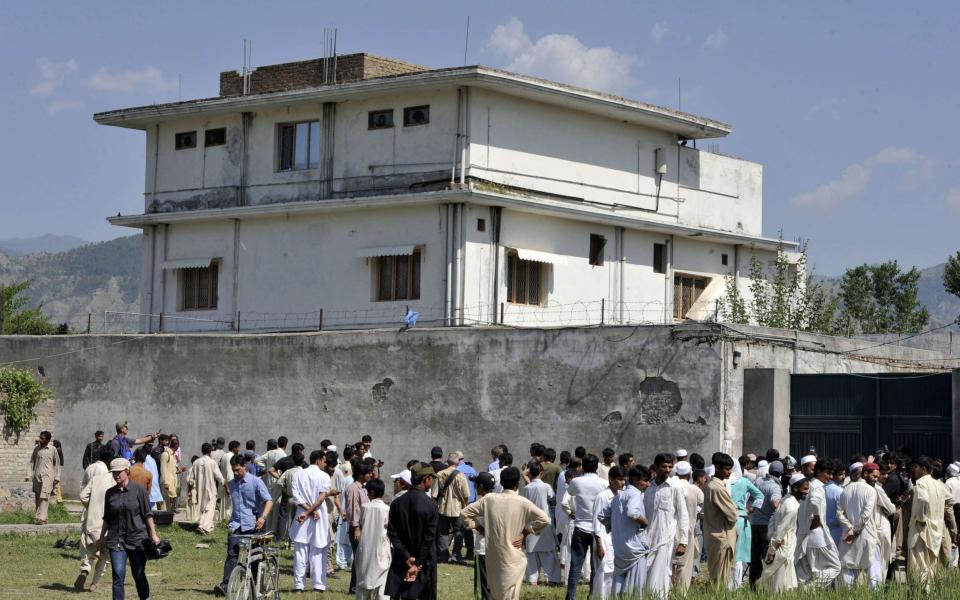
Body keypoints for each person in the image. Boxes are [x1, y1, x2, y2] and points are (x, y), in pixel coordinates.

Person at [461, 466, 550, 600]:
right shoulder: (523, 502)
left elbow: (464, 513)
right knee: (511, 594)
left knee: (495, 593)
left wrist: (479, 527)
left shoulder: (489, 499)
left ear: (501, 483)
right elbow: (545, 519)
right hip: (513, 556)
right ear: (517, 484)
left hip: (493, 556)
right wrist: (525, 533)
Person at [213, 454, 274, 596]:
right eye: (233, 470)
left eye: (238, 470)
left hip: (254, 525)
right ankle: (226, 584)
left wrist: (263, 517)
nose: (235, 473)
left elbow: (269, 501)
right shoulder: (232, 483)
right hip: (235, 524)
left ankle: (253, 586)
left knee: (254, 558)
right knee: (231, 554)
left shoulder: (256, 482)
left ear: (245, 467)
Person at [102, 458, 161, 600]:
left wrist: (153, 534)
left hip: (138, 540)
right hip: (116, 540)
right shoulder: (110, 493)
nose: (116, 475)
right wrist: (101, 537)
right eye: (114, 473)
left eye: (119, 472)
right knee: (118, 575)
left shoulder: (139, 490)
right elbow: (107, 518)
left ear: (127, 471)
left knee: (138, 574)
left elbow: (148, 514)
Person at [385, 464, 439, 600]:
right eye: (431, 478)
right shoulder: (431, 505)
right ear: (425, 478)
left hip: (402, 560)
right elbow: (429, 538)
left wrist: (406, 556)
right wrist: (417, 563)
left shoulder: (397, 503)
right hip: (424, 562)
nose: (432, 482)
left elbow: (392, 533)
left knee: (399, 594)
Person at [290, 450, 338, 593]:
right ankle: (318, 585)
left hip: (303, 515)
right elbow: (321, 498)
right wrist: (311, 511)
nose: (325, 464)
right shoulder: (324, 476)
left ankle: (299, 585)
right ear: (318, 460)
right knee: (318, 551)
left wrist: (307, 511)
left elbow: (296, 497)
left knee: (300, 552)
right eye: (324, 461)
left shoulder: (298, 474)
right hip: (316, 517)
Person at [643, 453, 689, 597]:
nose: (668, 469)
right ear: (656, 467)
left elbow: (683, 514)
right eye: (664, 466)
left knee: (662, 575)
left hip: (665, 539)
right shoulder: (649, 488)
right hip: (647, 539)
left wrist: (683, 541)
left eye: (670, 466)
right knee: (646, 572)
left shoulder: (675, 487)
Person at [564, 453, 607, 600]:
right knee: (596, 566)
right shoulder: (603, 483)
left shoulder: (576, 482)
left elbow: (570, 494)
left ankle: (571, 596)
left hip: (580, 526)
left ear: (583, 466)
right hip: (598, 529)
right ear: (596, 467)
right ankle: (593, 595)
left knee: (576, 565)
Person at [795, 456, 841, 587]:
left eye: (832, 473)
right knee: (835, 567)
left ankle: (803, 591)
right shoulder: (817, 487)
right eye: (828, 473)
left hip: (804, 534)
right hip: (817, 535)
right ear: (819, 471)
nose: (830, 477)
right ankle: (811, 588)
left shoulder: (807, 486)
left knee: (806, 570)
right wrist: (816, 517)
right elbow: (815, 501)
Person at [604, 465, 650, 595]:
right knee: (636, 585)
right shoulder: (635, 494)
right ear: (635, 480)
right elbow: (632, 513)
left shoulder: (619, 496)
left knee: (619, 580)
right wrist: (646, 522)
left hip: (620, 546)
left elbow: (603, 516)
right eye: (645, 480)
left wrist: (617, 527)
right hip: (634, 548)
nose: (648, 484)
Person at [837, 461, 883, 588]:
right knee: (873, 569)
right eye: (874, 476)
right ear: (865, 474)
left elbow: (839, 514)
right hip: (867, 535)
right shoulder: (871, 490)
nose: (876, 479)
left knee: (848, 568)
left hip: (848, 537)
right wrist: (854, 531)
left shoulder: (845, 490)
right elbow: (865, 516)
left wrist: (849, 529)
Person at [75, 447, 114, 592]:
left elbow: (82, 495)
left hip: (90, 519)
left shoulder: (90, 469)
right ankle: (94, 583)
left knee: (87, 548)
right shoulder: (111, 478)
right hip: (106, 523)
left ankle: (85, 570)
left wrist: (90, 506)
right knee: (105, 555)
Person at [757, 473, 804, 592]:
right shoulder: (791, 507)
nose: (807, 492)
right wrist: (772, 550)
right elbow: (781, 529)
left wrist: (770, 535)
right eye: (805, 489)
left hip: (781, 543)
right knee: (781, 582)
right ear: (795, 488)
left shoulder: (785, 500)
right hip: (783, 545)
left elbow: (773, 520)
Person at [907, 456, 947, 589]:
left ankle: (921, 594)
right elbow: (950, 501)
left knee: (919, 564)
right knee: (931, 565)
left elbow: (923, 500)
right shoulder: (940, 485)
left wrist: (921, 519)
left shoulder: (921, 483)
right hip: (936, 531)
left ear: (924, 469)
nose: (914, 471)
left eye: (916, 468)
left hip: (921, 530)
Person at [519, 462, 560, 586]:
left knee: (531, 553)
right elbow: (553, 500)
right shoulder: (546, 486)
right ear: (541, 473)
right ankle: (551, 579)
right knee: (548, 552)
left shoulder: (526, 488)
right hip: (545, 521)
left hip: (531, 523)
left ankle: (532, 580)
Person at [703, 452, 738, 588]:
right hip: (721, 537)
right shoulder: (716, 488)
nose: (729, 472)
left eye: (730, 469)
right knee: (720, 580)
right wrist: (735, 508)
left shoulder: (714, 485)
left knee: (717, 577)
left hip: (715, 535)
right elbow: (733, 515)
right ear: (717, 467)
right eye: (727, 469)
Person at [749, 459, 783, 588]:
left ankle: (754, 586)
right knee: (768, 557)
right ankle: (767, 586)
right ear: (780, 473)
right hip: (767, 525)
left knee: (755, 557)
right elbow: (775, 503)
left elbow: (752, 498)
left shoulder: (758, 481)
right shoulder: (774, 486)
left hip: (755, 523)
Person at [355, 478, 391, 600]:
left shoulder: (365, 507)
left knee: (363, 579)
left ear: (371, 492)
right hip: (381, 548)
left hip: (365, 547)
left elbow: (361, 524)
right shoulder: (387, 509)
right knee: (381, 585)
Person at [592, 465, 624, 599]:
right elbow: (596, 522)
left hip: (617, 539)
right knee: (603, 572)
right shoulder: (603, 496)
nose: (622, 482)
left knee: (615, 572)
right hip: (604, 539)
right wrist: (599, 544)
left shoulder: (622, 495)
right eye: (619, 479)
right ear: (611, 479)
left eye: (624, 479)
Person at [730, 464, 764, 588]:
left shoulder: (722, 482)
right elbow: (760, 496)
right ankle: (736, 585)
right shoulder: (744, 481)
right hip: (741, 519)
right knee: (739, 556)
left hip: (725, 520)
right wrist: (750, 509)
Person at [672, 460, 703, 593]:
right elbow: (702, 509)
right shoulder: (694, 489)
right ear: (690, 474)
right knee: (684, 566)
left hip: (670, 531)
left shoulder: (671, 486)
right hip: (687, 532)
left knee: (669, 564)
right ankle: (681, 593)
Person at [434, 452, 470, 564]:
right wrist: (465, 506)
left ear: (447, 461)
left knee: (443, 532)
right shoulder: (461, 475)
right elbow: (466, 495)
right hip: (457, 507)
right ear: (458, 462)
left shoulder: (439, 474)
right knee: (459, 532)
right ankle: (456, 555)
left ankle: (443, 555)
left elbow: (434, 494)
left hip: (442, 507)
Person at [346, 463, 374, 594]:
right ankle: (354, 587)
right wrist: (356, 528)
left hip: (364, 527)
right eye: (368, 473)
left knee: (362, 557)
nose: (370, 475)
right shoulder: (353, 489)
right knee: (358, 558)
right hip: (357, 528)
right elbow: (353, 511)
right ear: (361, 474)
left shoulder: (363, 488)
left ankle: (359, 585)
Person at [26, 430, 60, 524]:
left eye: (42, 438)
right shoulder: (37, 449)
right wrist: (29, 474)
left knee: (44, 496)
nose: (40, 440)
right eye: (40, 437)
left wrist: (57, 477)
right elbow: (31, 462)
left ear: (48, 440)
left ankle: (41, 518)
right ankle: (42, 518)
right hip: (37, 476)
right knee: (38, 497)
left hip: (48, 477)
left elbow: (57, 464)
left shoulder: (53, 449)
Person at [190, 442, 224, 535]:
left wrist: (191, 489)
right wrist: (224, 483)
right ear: (210, 451)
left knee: (203, 507)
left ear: (201, 451)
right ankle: (203, 526)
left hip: (199, 488)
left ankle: (206, 524)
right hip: (210, 488)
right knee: (209, 508)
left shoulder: (196, 462)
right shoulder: (212, 462)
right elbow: (219, 476)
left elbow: (191, 479)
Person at [453, 454, 478, 563]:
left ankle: (456, 553)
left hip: (460, 503)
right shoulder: (472, 469)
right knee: (468, 528)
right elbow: (476, 486)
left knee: (459, 529)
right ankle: (470, 552)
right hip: (471, 503)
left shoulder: (456, 470)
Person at [259, 437, 286, 532]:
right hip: (277, 481)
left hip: (268, 482)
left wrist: (266, 468)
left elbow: (257, 460)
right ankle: (273, 530)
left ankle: (266, 528)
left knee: (267, 504)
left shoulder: (269, 453)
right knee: (275, 506)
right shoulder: (283, 454)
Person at [159, 437, 180, 510]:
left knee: (170, 503)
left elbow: (172, 470)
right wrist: (165, 482)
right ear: (176, 446)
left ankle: (168, 517)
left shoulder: (173, 455)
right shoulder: (165, 454)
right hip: (166, 483)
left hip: (172, 483)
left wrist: (179, 471)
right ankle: (164, 518)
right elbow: (163, 469)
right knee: (165, 503)